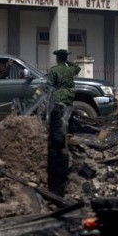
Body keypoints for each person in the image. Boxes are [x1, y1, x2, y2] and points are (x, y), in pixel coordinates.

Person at [45, 49, 81, 197]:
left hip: (59, 96)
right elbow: (78, 68)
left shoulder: (54, 70)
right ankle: (70, 132)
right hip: (69, 95)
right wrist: (68, 62)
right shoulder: (71, 68)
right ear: (65, 58)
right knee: (69, 114)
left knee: (58, 118)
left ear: (57, 59)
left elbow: (49, 86)